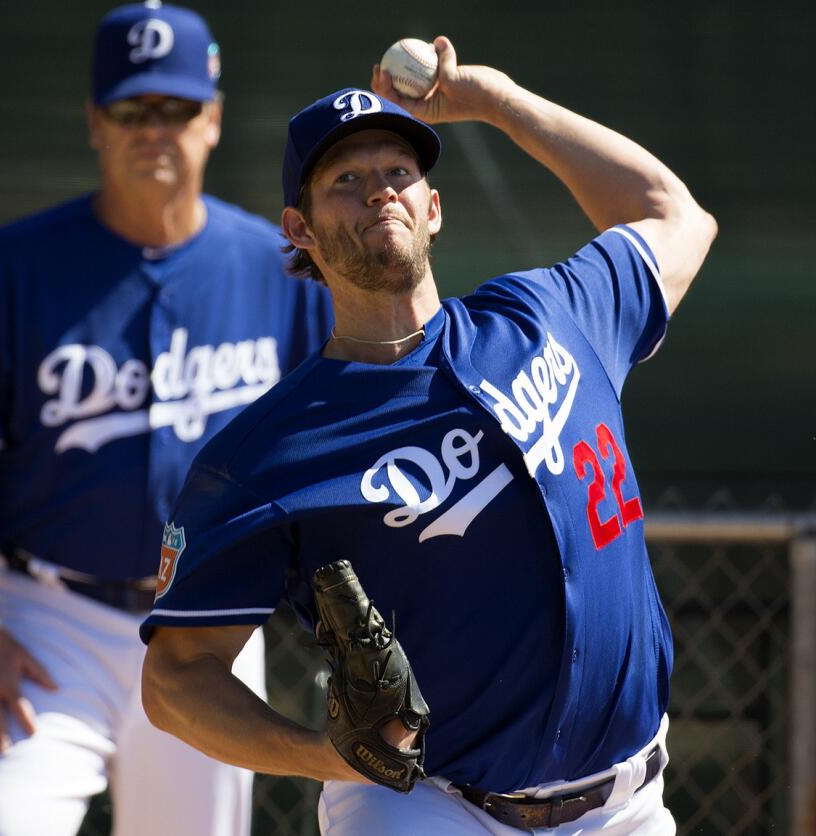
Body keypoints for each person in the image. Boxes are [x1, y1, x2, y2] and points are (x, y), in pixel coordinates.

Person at [138, 36, 716, 835]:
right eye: (347, 180)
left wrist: (502, 103)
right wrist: (322, 755)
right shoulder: (268, 454)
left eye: (398, 173)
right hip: (428, 807)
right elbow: (175, 680)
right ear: (299, 230)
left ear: (433, 208)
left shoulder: (547, 315)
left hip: (626, 807)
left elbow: (673, 214)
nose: (380, 192)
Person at [0, 4, 332, 834]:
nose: (154, 130)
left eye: (174, 110)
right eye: (132, 110)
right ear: (95, 124)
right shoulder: (13, 267)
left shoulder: (280, 270)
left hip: (210, 622)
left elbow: (336, 441)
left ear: (211, 121)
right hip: (45, 620)